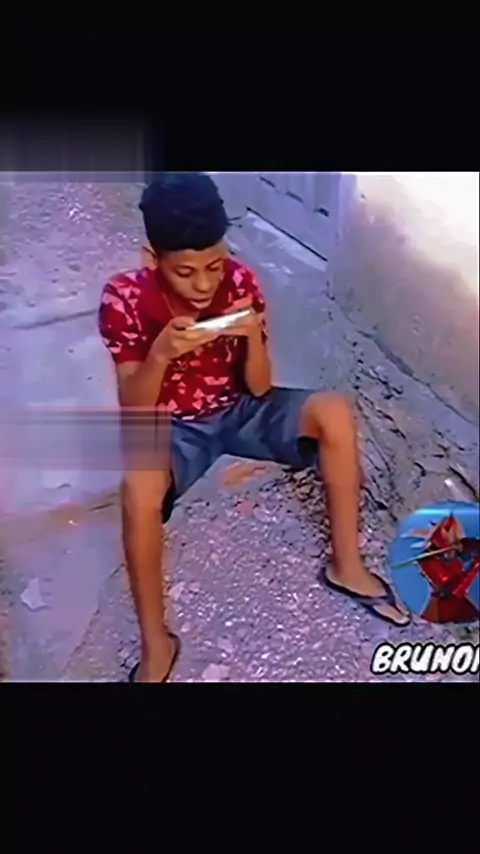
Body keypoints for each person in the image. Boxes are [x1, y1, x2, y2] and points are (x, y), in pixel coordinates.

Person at [99, 173, 410, 683]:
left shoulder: (240, 282)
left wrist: (252, 337)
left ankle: (347, 566)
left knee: (334, 410)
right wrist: (160, 355)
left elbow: (261, 388)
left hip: (240, 408)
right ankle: (157, 643)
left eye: (214, 265)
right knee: (139, 489)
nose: (205, 285)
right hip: (171, 425)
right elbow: (133, 406)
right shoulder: (124, 298)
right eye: (186, 272)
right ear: (152, 259)